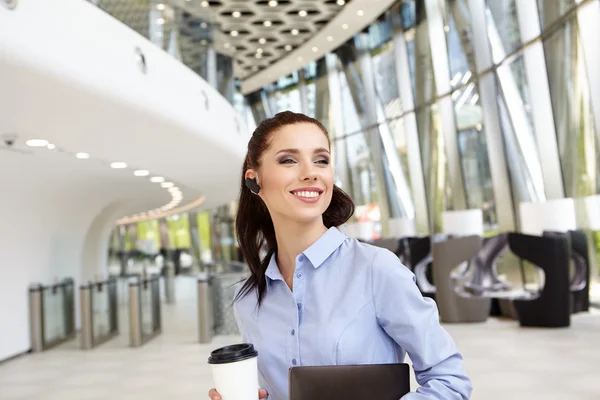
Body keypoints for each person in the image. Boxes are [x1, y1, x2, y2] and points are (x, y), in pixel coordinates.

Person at [209, 111, 472, 400]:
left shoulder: (375, 269)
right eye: (289, 159)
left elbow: (450, 380)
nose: (311, 172)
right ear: (254, 179)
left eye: (321, 160)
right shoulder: (248, 299)